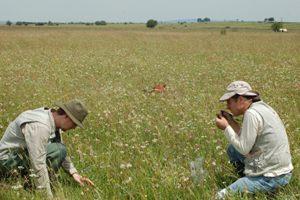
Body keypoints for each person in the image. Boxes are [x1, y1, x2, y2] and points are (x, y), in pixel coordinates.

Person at [0, 99, 94, 198]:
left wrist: (74, 173)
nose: (74, 128)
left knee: (59, 149)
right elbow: (38, 162)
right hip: (5, 161)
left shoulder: (52, 119)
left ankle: (28, 182)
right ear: (67, 116)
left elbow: (59, 148)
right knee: (58, 150)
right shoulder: (41, 126)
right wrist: (47, 196)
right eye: (74, 123)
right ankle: (28, 186)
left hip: (17, 158)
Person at [215, 81, 293, 199]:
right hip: (284, 172)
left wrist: (226, 128)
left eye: (229, 102)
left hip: (271, 178)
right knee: (232, 150)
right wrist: (231, 122)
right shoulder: (262, 107)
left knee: (220, 196)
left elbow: (243, 148)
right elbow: (247, 138)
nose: (227, 106)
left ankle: (250, 182)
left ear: (240, 100)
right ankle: (246, 179)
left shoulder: (251, 114)